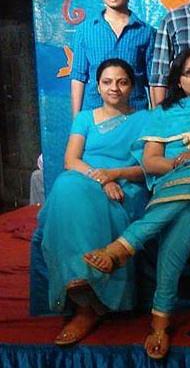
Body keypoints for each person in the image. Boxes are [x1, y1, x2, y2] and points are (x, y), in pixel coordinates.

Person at [83, 48, 190, 360]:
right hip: (176, 183)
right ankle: (160, 320)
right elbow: (150, 161)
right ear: (179, 80)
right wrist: (179, 164)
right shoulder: (164, 113)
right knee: (184, 217)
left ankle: (126, 245)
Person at [37, 58, 149, 346]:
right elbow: (71, 160)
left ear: (132, 86)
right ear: (98, 87)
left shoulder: (144, 120)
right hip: (87, 179)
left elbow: (147, 167)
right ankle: (80, 288)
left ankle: (89, 306)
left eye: (122, 82)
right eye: (107, 82)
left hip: (124, 186)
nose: (115, 88)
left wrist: (115, 176)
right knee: (65, 185)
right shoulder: (85, 118)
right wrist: (101, 179)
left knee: (71, 190)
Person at [70, 0, 154, 115]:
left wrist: (157, 120)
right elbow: (78, 77)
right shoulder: (85, 30)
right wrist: (76, 120)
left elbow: (153, 80)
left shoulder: (146, 32)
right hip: (95, 113)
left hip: (135, 114)